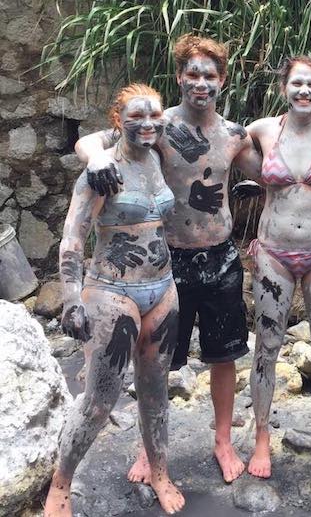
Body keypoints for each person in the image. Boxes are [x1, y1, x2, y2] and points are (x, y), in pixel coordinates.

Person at [74, 34, 261, 484]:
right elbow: (90, 142)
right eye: (192, 74)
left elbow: (275, 176)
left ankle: (222, 440)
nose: (201, 82)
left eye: (209, 75)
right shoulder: (157, 126)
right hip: (166, 262)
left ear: (223, 80)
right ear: (179, 78)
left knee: (224, 355)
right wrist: (97, 156)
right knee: (154, 361)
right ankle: (147, 447)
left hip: (220, 259)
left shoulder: (234, 135)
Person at [44, 85, 184, 517]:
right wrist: (71, 300)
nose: (147, 123)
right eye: (136, 116)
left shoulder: (158, 158)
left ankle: (159, 472)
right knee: (99, 400)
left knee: (156, 391)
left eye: (154, 114)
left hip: (162, 288)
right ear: (117, 120)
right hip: (111, 292)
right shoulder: (102, 170)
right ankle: (60, 486)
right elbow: (73, 237)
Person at [244, 56, 311, 478]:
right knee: (267, 344)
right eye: (296, 84)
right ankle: (261, 438)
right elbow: (220, 145)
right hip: (274, 252)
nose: (304, 91)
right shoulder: (263, 129)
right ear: (284, 88)